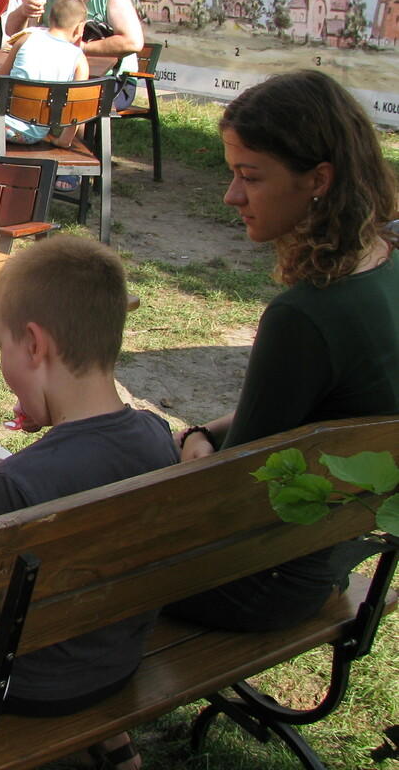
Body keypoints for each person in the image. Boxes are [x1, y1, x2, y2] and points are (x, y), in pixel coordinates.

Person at [168, 70, 399, 632]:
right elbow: (304, 414)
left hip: (259, 581)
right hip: (334, 551)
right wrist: (205, 431)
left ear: (318, 179)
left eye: (250, 177)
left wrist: (193, 449)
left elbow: (231, 493)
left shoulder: (306, 316)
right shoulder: (386, 261)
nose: (232, 196)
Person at [0, 236, 178, 770]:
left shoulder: (20, 481)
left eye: (0, 345)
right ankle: (113, 741)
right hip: (119, 666)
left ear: (34, 344)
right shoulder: (157, 438)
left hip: (28, 689)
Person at [4, 0, 144, 104]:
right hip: (61, 78)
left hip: (112, 80)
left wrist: (79, 48)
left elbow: (133, 42)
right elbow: (12, 32)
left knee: (67, 107)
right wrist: (23, 11)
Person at [0, 0, 92, 158]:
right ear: (80, 27)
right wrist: (64, 141)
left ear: (49, 18)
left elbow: (3, 77)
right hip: (31, 134)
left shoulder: (25, 39)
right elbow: (76, 108)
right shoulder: (79, 59)